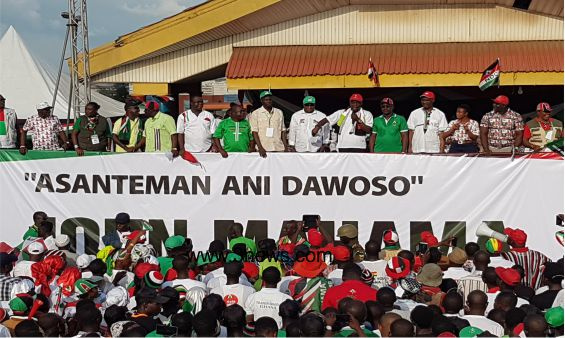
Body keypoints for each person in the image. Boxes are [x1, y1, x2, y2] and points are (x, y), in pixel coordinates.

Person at [249, 91, 288, 157]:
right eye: (266, 100)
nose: (269, 101)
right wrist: (260, 148)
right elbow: (254, 132)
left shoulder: (279, 112)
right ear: (261, 101)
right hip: (264, 148)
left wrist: (285, 146)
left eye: (270, 99)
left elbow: (283, 131)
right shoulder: (256, 113)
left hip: (278, 147)